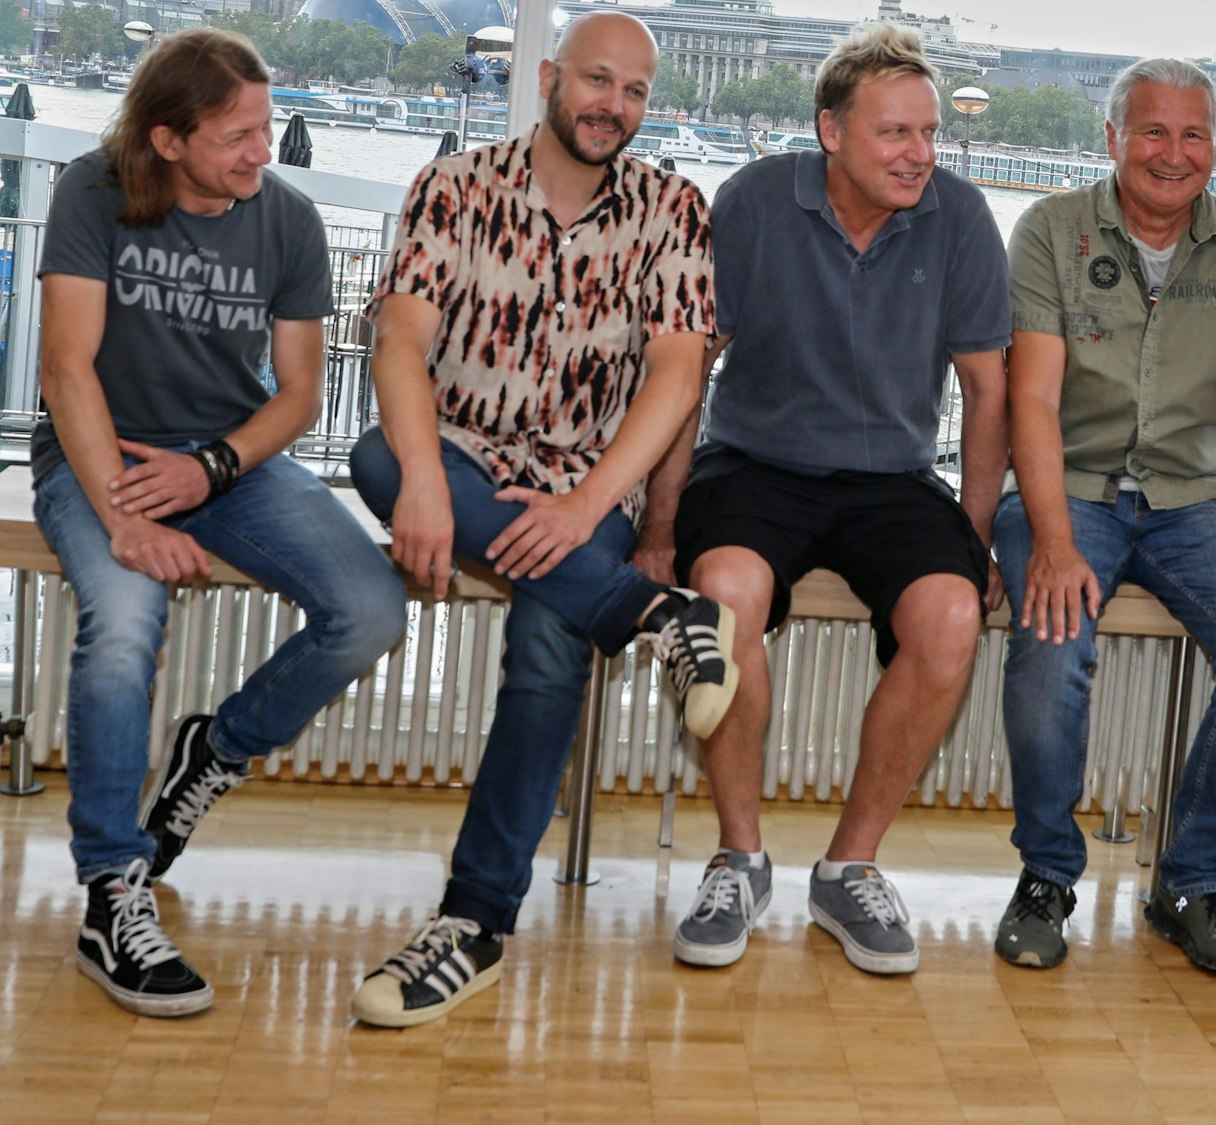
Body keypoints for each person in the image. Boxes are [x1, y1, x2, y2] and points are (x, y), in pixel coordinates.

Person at [346, 11, 736, 1027]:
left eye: (636, 91)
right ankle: (655, 620)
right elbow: (400, 341)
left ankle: (472, 922)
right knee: (378, 456)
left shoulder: (672, 208)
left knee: (548, 636)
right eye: (598, 81)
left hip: (584, 479)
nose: (614, 106)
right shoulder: (457, 186)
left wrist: (586, 506)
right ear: (552, 79)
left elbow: (677, 371)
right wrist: (428, 486)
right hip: (462, 461)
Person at [32, 28, 406, 1017]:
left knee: (372, 610)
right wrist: (122, 508)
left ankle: (220, 750)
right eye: (236, 135)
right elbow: (66, 367)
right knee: (121, 633)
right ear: (167, 139)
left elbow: (295, 396)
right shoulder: (92, 190)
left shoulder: (284, 221)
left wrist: (212, 468)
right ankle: (114, 890)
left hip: (229, 464)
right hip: (96, 453)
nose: (259, 150)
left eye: (265, 127)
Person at [651, 23, 1009, 976]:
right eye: (895, 133)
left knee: (949, 613)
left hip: (891, 479)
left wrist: (974, 535)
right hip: (754, 463)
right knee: (724, 597)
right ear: (832, 131)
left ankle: (849, 867)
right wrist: (658, 520)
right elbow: (688, 369)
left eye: (929, 133)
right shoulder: (756, 201)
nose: (919, 154)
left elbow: (989, 390)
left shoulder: (962, 217)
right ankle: (740, 857)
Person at [993, 58, 1216, 976]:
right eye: (1154, 132)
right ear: (1114, 140)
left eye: (1194, 134)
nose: (1174, 154)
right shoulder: (1050, 229)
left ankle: (1190, 881)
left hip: (1192, 501)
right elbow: (1034, 402)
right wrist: (1050, 543)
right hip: (1072, 489)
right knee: (1053, 642)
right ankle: (1047, 875)